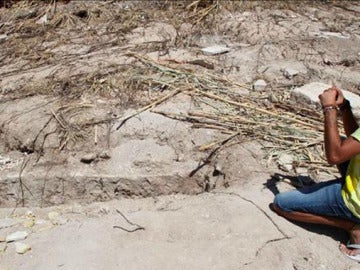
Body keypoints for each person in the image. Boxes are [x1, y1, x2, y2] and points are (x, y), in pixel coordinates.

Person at [271, 85, 360, 262]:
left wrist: (330, 109)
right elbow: (355, 137)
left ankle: (353, 226)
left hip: (355, 201)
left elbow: (334, 156)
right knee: (342, 141)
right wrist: (345, 107)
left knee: (281, 205)